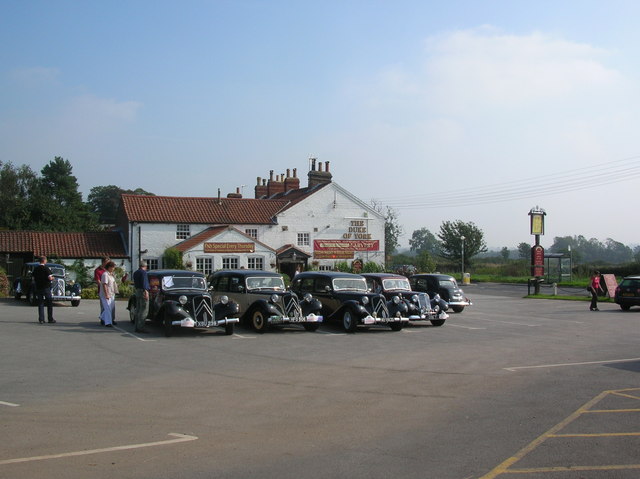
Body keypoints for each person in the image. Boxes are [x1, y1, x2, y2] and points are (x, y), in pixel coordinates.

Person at [33, 255, 56, 324]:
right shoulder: (46, 268)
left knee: (40, 303)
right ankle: (50, 318)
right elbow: (49, 278)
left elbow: (34, 277)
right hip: (46, 287)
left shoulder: (36, 269)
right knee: (49, 303)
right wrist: (53, 278)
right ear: (44, 260)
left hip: (39, 287)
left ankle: (41, 319)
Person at [132, 260, 150, 333]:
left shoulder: (135, 272)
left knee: (138, 309)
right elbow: (144, 283)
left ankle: (137, 326)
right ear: (145, 266)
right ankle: (141, 327)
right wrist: (146, 291)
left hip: (137, 290)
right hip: (143, 291)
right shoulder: (143, 273)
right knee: (144, 310)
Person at [99, 261, 118, 327]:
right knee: (107, 308)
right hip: (105, 294)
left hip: (112, 293)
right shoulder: (105, 274)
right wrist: (106, 294)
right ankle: (108, 322)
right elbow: (105, 284)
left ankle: (102, 317)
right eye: (113, 267)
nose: (114, 268)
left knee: (110, 307)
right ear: (109, 267)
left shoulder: (111, 274)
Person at [94, 257, 110, 325]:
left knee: (110, 306)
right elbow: (98, 281)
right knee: (103, 306)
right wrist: (104, 287)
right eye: (107, 262)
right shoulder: (98, 270)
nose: (108, 264)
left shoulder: (109, 270)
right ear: (103, 262)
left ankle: (111, 319)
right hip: (102, 290)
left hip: (110, 290)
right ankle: (103, 319)